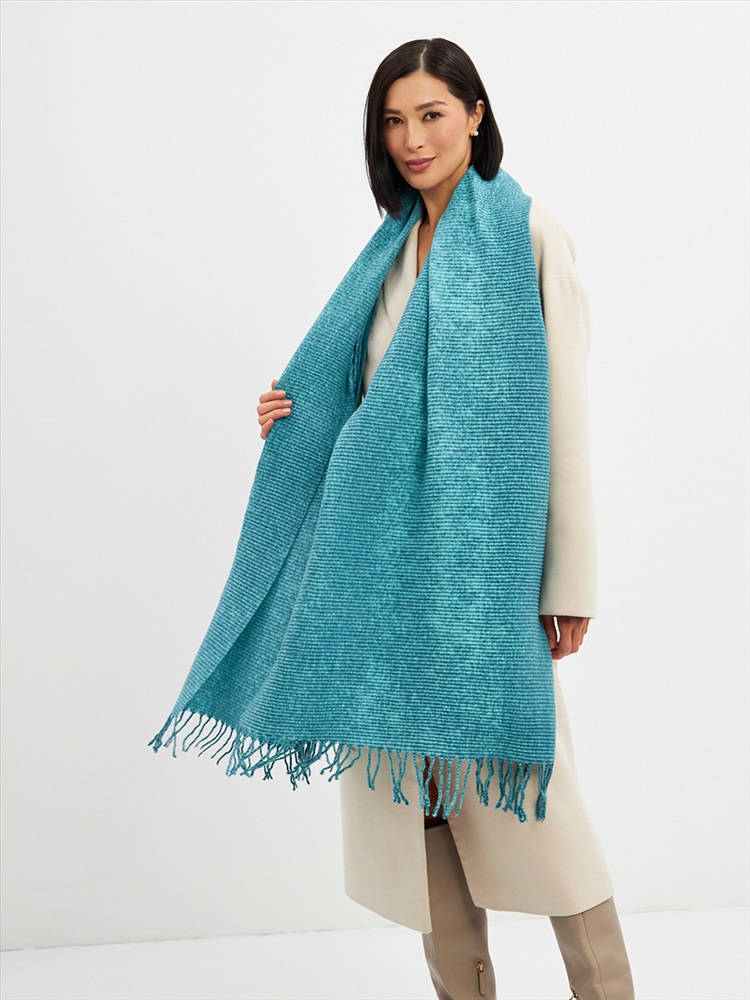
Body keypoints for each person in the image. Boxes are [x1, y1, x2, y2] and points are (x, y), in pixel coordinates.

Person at [255, 38, 636, 1000]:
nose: (412, 139)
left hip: (481, 579)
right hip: (380, 574)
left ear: (475, 113)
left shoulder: (528, 233)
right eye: (394, 121)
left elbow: (564, 416)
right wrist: (294, 417)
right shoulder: (386, 249)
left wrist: (569, 581)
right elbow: (366, 398)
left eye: (431, 114)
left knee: (542, 811)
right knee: (418, 807)